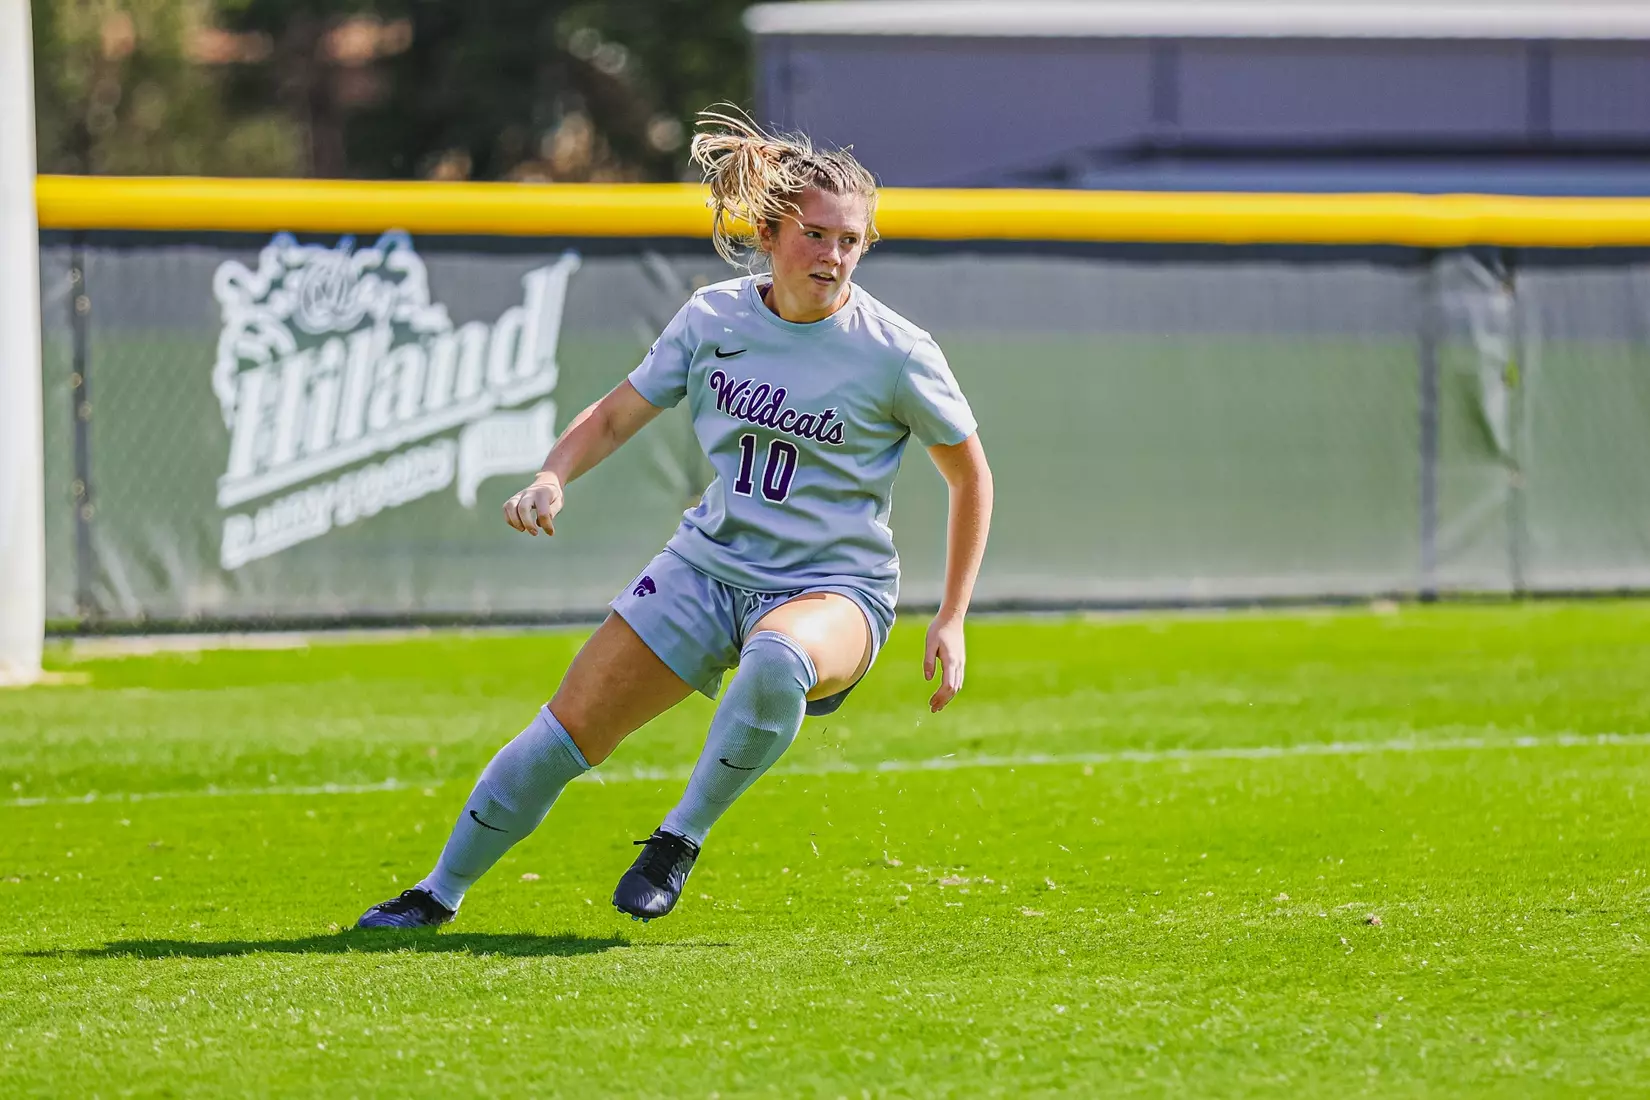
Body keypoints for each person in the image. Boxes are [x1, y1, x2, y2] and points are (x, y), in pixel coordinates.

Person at [358, 110, 993, 928]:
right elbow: (618, 414)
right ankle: (435, 894)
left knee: (776, 656)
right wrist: (553, 475)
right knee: (565, 732)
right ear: (769, 233)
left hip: (835, 589)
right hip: (708, 567)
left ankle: (676, 840)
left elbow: (969, 475)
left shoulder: (895, 351)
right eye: (817, 234)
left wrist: (952, 617)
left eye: (852, 240)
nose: (835, 256)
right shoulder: (714, 319)